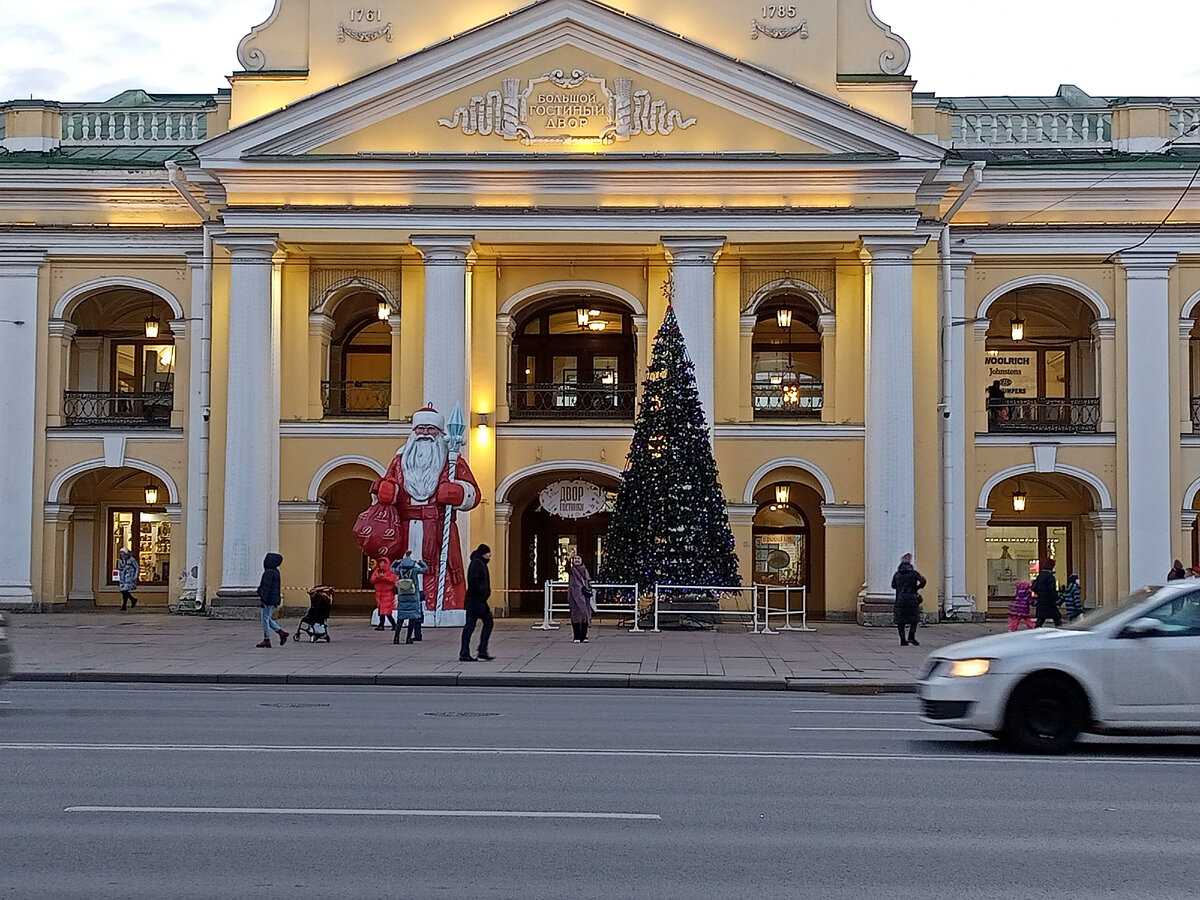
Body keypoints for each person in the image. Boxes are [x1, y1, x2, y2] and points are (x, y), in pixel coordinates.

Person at [355, 405, 481, 623]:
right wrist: (385, 490)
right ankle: (399, 608)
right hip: (404, 528)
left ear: (440, 433)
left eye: (430, 430)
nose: (424, 434)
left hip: (439, 528)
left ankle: (442, 606)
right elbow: (387, 485)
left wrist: (459, 491)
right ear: (413, 432)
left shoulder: (452, 462)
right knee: (404, 567)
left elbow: (474, 494)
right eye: (420, 429)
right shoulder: (400, 462)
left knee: (442, 568)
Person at [460, 544, 494, 662]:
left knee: (485, 623)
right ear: (483, 553)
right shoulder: (477, 563)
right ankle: (466, 652)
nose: (489, 556)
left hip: (479, 601)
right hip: (476, 601)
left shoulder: (480, 562)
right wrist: (482, 591)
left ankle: (481, 650)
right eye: (488, 554)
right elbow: (473, 580)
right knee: (471, 626)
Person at [392, 551, 428, 645]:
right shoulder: (414, 570)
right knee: (412, 618)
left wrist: (396, 562)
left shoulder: (399, 570)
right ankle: (408, 638)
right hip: (413, 596)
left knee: (401, 618)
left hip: (402, 596)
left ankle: (396, 637)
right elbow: (425, 569)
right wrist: (420, 562)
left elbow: (392, 568)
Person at [891, 553, 926, 647]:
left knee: (900, 621)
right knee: (914, 619)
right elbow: (923, 581)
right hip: (912, 599)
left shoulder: (897, 574)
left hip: (901, 599)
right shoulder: (914, 574)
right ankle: (911, 636)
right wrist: (917, 588)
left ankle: (903, 640)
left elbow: (893, 586)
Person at [256, 553, 288, 648]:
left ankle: (267, 638)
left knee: (265, 619)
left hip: (268, 599)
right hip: (273, 598)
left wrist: (263, 599)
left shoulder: (268, 573)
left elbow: (266, 587)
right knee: (267, 618)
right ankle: (281, 633)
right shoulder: (275, 572)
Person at [566, 553, 593, 643]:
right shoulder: (572, 570)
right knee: (575, 616)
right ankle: (576, 636)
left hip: (584, 595)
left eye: (579, 558)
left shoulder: (585, 570)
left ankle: (584, 636)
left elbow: (588, 582)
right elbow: (567, 568)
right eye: (575, 558)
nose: (577, 560)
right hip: (574, 596)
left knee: (584, 615)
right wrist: (568, 559)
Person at [370, 556, 398, 631]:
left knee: (386, 611)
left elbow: (393, 579)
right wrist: (377, 577)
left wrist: (383, 577)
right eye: (380, 563)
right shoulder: (377, 571)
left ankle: (387, 624)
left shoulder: (390, 572)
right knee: (381, 610)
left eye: (383, 563)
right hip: (379, 594)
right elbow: (372, 580)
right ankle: (387, 624)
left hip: (388, 593)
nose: (381, 564)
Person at [1032, 558, 1061, 628]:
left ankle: (1035, 630)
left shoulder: (1040, 576)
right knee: (1056, 618)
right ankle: (1060, 631)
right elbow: (1052, 589)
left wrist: (1040, 593)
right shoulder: (1050, 577)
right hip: (1049, 601)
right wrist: (1056, 598)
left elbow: (1033, 587)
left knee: (1041, 619)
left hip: (1041, 600)